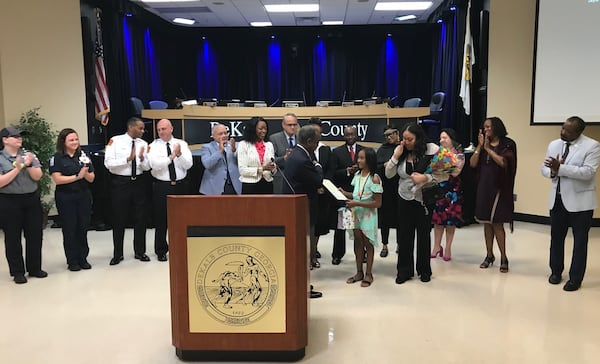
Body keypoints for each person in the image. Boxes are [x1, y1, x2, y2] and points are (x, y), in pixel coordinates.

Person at [541, 116, 600, 292]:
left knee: (580, 242)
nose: (563, 132)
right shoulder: (554, 144)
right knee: (556, 238)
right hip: (557, 200)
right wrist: (551, 171)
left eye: (568, 130)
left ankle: (575, 278)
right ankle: (556, 272)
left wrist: (560, 168)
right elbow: (544, 168)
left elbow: (588, 172)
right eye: (562, 128)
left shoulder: (592, 146)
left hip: (581, 204)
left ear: (579, 132)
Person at [385, 122, 446, 284]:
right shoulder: (401, 151)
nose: (406, 142)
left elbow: (444, 174)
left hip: (423, 199)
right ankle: (404, 270)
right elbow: (388, 174)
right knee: (404, 235)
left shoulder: (431, 150)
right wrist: (395, 156)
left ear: (418, 138)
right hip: (404, 197)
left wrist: (426, 178)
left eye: (410, 139)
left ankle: (424, 270)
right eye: (404, 139)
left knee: (423, 235)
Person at [469, 117, 517, 273]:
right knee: (486, 222)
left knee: (497, 223)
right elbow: (473, 163)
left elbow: (504, 163)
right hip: (484, 187)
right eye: (484, 127)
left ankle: (504, 257)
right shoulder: (482, 145)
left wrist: (488, 149)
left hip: (499, 188)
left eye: (488, 127)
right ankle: (489, 255)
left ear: (497, 127)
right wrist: (479, 147)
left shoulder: (508, 144)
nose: (485, 130)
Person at [282, 124, 324, 299]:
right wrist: (318, 165)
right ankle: (302, 287)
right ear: (308, 142)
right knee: (302, 251)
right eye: (316, 142)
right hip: (301, 211)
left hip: (296, 209)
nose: (317, 145)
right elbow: (317, 179)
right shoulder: (302, 159)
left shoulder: (297, 154)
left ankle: (303, 284)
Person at [0, 126, 46, 284]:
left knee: (35, 235)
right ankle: (18, 271)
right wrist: (19, 167)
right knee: (13, 237)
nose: (19, 138)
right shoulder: (0, 158)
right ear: (5, 140)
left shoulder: (29, 155)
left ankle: (34, 268)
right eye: (15, 136)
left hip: (31, 199)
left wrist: (29, 164)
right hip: (9, 201)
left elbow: (38, 176)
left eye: (20, 136)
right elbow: (1, 182)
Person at [103, 117, 151, 265]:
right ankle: (118, 254)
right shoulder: (115, 141)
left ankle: (140, 251)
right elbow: (108, 164)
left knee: (140, 218)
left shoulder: (143, 144)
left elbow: (147, 167)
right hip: (120, 183)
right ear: (131, 127)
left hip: (139, 183)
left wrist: (142, 159)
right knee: (119, 218)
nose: (143, 131)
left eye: (143, 129)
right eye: (140, 128)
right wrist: (127, 159)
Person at [147, 119, 193, 262]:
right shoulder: (153, 146)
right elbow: (155, 165)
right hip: (162, 186)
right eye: (159, 129)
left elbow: (189, 164)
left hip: (180, 185)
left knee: (182, 219)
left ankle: (181, 248)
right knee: (161, 220)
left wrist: (179, 155)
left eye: (164, 129)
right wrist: (171, 157)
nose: (161, 132)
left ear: (171, 129)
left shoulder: (182, 144)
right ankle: (161, 250)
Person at [50, 128, 95, 272]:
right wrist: (77, 177)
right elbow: (57, 179)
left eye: (76, 139)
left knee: (82, 227)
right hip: (66, 197)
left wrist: (85, 172)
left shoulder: (83, 156)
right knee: (70, 228)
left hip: (83, 196)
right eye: (71, 140)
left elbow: (92, 178)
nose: (75, 142)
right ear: (63, 142)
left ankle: (83, 258)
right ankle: (72, 260)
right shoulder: (57, 158)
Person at [339, 148, 382, 287]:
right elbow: (356, 195)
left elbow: (378, 203)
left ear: (369, 159)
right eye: (358, 158)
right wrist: (344, 193)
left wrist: (357, 203)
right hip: (354, 213)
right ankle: (359, 272)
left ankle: (369, 273)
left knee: (368, 244)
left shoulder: (374, 178)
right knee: (357, 242)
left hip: (368, 215)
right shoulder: (357, 175)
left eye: (362, 158)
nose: (358, 160)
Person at [330, 126, 364, 265]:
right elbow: (333, 173)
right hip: (342, 193)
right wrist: (347, 171)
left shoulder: (364, 150)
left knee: (360, 227)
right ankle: (337, 254)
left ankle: (363, 254)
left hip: (361, 193)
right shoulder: (337, 152)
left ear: (357, 135)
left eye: (352, 134)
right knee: (341, 227)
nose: (350, 137)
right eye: (347, 135)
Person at [431, 128, 465, 262]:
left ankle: (448, 247)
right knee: (437, 220)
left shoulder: (460, 155)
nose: (442, 140)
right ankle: (436, 246)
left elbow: (455, 173)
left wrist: (441, 166)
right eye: (440, 138)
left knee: (450, 220)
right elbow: (433, 169)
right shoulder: (437, 152)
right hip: (439, 188)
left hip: (452, 190)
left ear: (452, 139)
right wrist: (440, 166)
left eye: (445, 138)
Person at [307, 117, 333, 268]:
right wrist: (314, 186)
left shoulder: (325, 149)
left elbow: (329, 170)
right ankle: (308, 254)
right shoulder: (303, 148)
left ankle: (314, 250)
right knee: (307, 225)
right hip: (308, 192)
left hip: (322, 193)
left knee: (317, 225)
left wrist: (323, 186)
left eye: (319, 132)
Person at [376, 126, 400, 258]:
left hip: (399, 187)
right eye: (386, 135)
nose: (388, 137)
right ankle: (384, 245)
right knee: (384, 219)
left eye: (391, 134)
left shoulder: (402, 148)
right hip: (385, 188)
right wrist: (384, 165)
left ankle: (399, 244)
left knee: (400, 218)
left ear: (397, 134)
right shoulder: (382, 149)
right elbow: (376, 166)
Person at [237, 117, 276, 194]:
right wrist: (262, 169)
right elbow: (242, 170)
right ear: (253, 129)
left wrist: (273, 169)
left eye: (265, 128)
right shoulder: (243, 144)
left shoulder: (269, 145)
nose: (264, 131)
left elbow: (273, 166)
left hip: (267, 184)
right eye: (260, 129)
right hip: (250, 185)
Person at [199, 123, 241, 195]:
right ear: (213, 136)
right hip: (214, 188)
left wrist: (234, 151)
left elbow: (242, 162)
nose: (224, 135)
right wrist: (219, 152)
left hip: (234, 187)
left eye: (225, 133)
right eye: (220, 134)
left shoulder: (235, 145)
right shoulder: (207, 147)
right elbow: (207, 164)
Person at [270, 113, 299, 194]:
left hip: (298, 180)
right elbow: (272, 161)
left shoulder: (301, 138)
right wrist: (284, 158)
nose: (292, 127)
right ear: (283, 125)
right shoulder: (274, 138)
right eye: (289, 125)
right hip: (282, 179)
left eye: (294, 124)